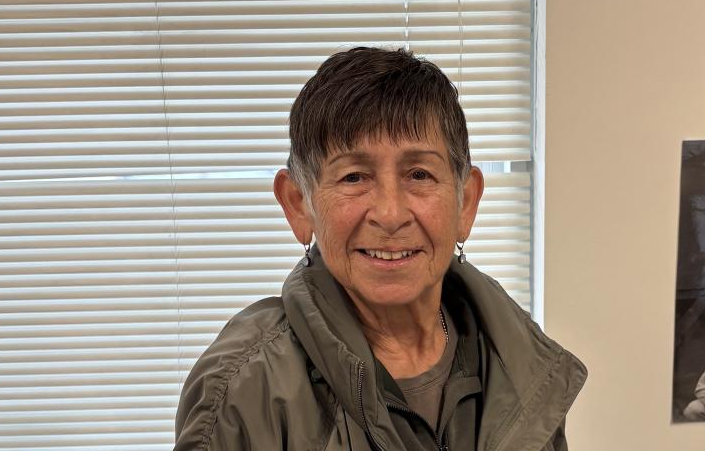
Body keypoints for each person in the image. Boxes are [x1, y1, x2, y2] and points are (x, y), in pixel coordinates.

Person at [174, 47, 587, 450]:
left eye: (420, 174)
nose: (390, 214)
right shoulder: (243, 390)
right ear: (299, 204)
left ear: (466, 201)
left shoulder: (521, 366)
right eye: (354, 177)